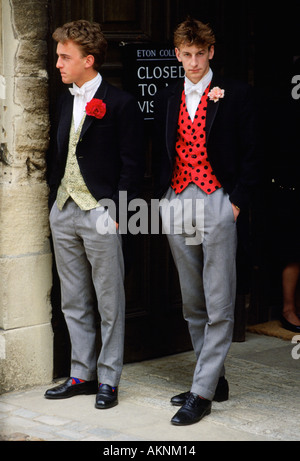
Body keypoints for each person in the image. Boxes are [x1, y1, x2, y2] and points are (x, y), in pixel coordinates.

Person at [153, 18, 260, 425]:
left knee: (218, 301)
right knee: (193, 301)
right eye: (187, 55)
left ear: (211, 52)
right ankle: (212, 378)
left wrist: (234, 204)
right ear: (177, 54)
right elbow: (165, 149)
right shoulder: (168, 96)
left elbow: (253, 152)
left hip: (217, 199)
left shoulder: (237, 94)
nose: (194, 62)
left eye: (201, 54)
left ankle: (201, 393)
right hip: (177, 198)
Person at [45, 20, 144, 409]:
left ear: (88, 60)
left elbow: (132, 165)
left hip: (102, 212)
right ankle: (81, 374)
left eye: (65, 57)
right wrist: (56, 201)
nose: (58, 64)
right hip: (64, 210)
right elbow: (60, 155)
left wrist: (118, 211)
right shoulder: (64, 99)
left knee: (109, 300)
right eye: (57, 57)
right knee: (73, 299)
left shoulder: (120, 103)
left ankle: (109, 379)